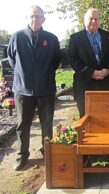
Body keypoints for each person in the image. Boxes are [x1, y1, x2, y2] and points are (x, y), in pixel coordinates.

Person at [7, 5, 60, 170]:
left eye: (38, 16)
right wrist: (24, 74)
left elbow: (55, 61)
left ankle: (48, 152)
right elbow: (11, 58)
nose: (34, 19)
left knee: (46, 122)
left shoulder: (51, 39)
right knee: (23, 124)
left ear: (43, 19)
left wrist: (42, 74)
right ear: (27, 18)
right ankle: (22, 156)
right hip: (23, 90)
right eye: (31, 16)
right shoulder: (16, 37)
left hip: (46, 90)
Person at [68, 8, 109, 117]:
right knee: (87, 123)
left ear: (100, 20)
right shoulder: (75, 38)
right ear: (84, 20)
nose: (94, 21)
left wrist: (108, 70)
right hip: (85, 87)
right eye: (91, 18)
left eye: (96, 19)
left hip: (107, 85)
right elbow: (72, 59)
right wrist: (90, 72)